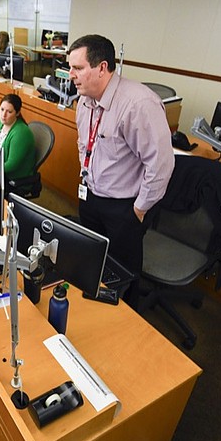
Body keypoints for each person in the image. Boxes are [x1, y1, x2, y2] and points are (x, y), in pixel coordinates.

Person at [67, 34, 174, 283]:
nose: (71, 74)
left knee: (122, 273)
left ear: (102, 67)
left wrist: (139, 209)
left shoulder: (139, 104)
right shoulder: (84, 100)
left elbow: (160, 165)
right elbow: (84, 143)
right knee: (92, 260)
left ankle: (129, 316)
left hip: (124, 206)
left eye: (78, 68)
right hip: (91, 194)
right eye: (70, 67)